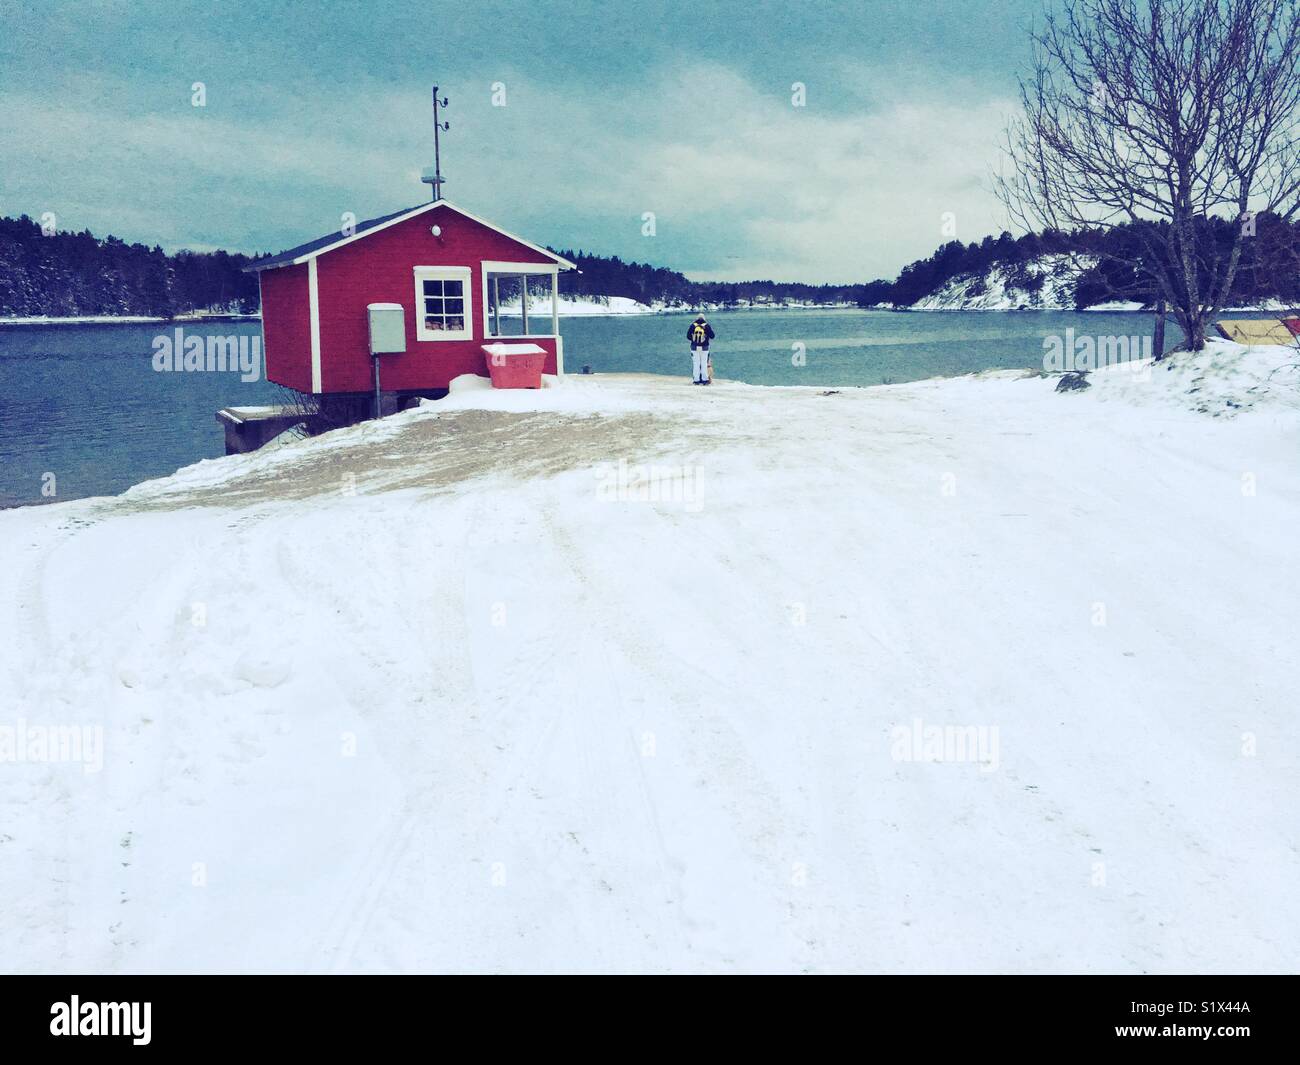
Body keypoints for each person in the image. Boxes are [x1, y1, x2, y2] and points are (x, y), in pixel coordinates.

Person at [686, 314, 715, 384]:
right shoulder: (707, 326)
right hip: (704, 347)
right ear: (704, 319)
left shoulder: (693, 325)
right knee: (704, 363)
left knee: (696, 363)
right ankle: (704, 380)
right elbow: (712, 336)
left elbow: (688, 336)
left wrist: (694, 340)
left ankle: (696, 380)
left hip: (694, 347)